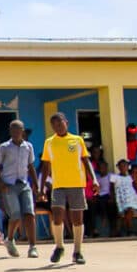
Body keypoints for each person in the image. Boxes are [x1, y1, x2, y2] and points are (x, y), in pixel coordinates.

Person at [40, 112, 98, 264]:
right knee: (57, 215)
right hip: (58, 185)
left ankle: (77, 251)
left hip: (76, 184)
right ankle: (59, 246)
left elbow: (86, 161)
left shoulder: (77, 140)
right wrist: (41, 188)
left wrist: (94, 180)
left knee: (77, 219)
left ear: (66, 123)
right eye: (54, 125)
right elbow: (46, 165)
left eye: (60, 123)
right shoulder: (49, 142)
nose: (57, 127)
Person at [0, 120, 40, 258]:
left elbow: (31, 167)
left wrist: (37, 187)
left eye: (18, 130)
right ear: (10, 132)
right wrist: (1, 184)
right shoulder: (4, 147)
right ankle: (10, 239)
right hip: (9, 185)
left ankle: (32, 246)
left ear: (22, 131)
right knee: (16, 214)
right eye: (13, 130)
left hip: (24, 184)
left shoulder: (28, 147)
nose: (16, 133)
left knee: (30, 213)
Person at [109, 160, 137, 235]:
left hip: (131, 195)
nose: (123, 167)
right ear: (118, 167)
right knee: (129, 208)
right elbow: (111, 188)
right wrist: (112, 197)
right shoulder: (115, 177)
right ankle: (129, 229)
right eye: (121, 166)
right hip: (121, 196)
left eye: (125, 165)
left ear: (128, 167)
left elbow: (134, 186)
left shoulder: (130, 177)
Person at [89, 160, 118, 237]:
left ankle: (113, 228)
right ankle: (94, 229)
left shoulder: (110, 175)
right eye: (100, 168)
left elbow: (112, 188)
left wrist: (112, 197)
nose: (102, 169)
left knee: (111, 205)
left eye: (104, 167)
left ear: (106, 168)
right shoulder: (97, 177)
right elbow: (94, 189)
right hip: (99, 196)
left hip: (108, 195)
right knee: (92, 205)